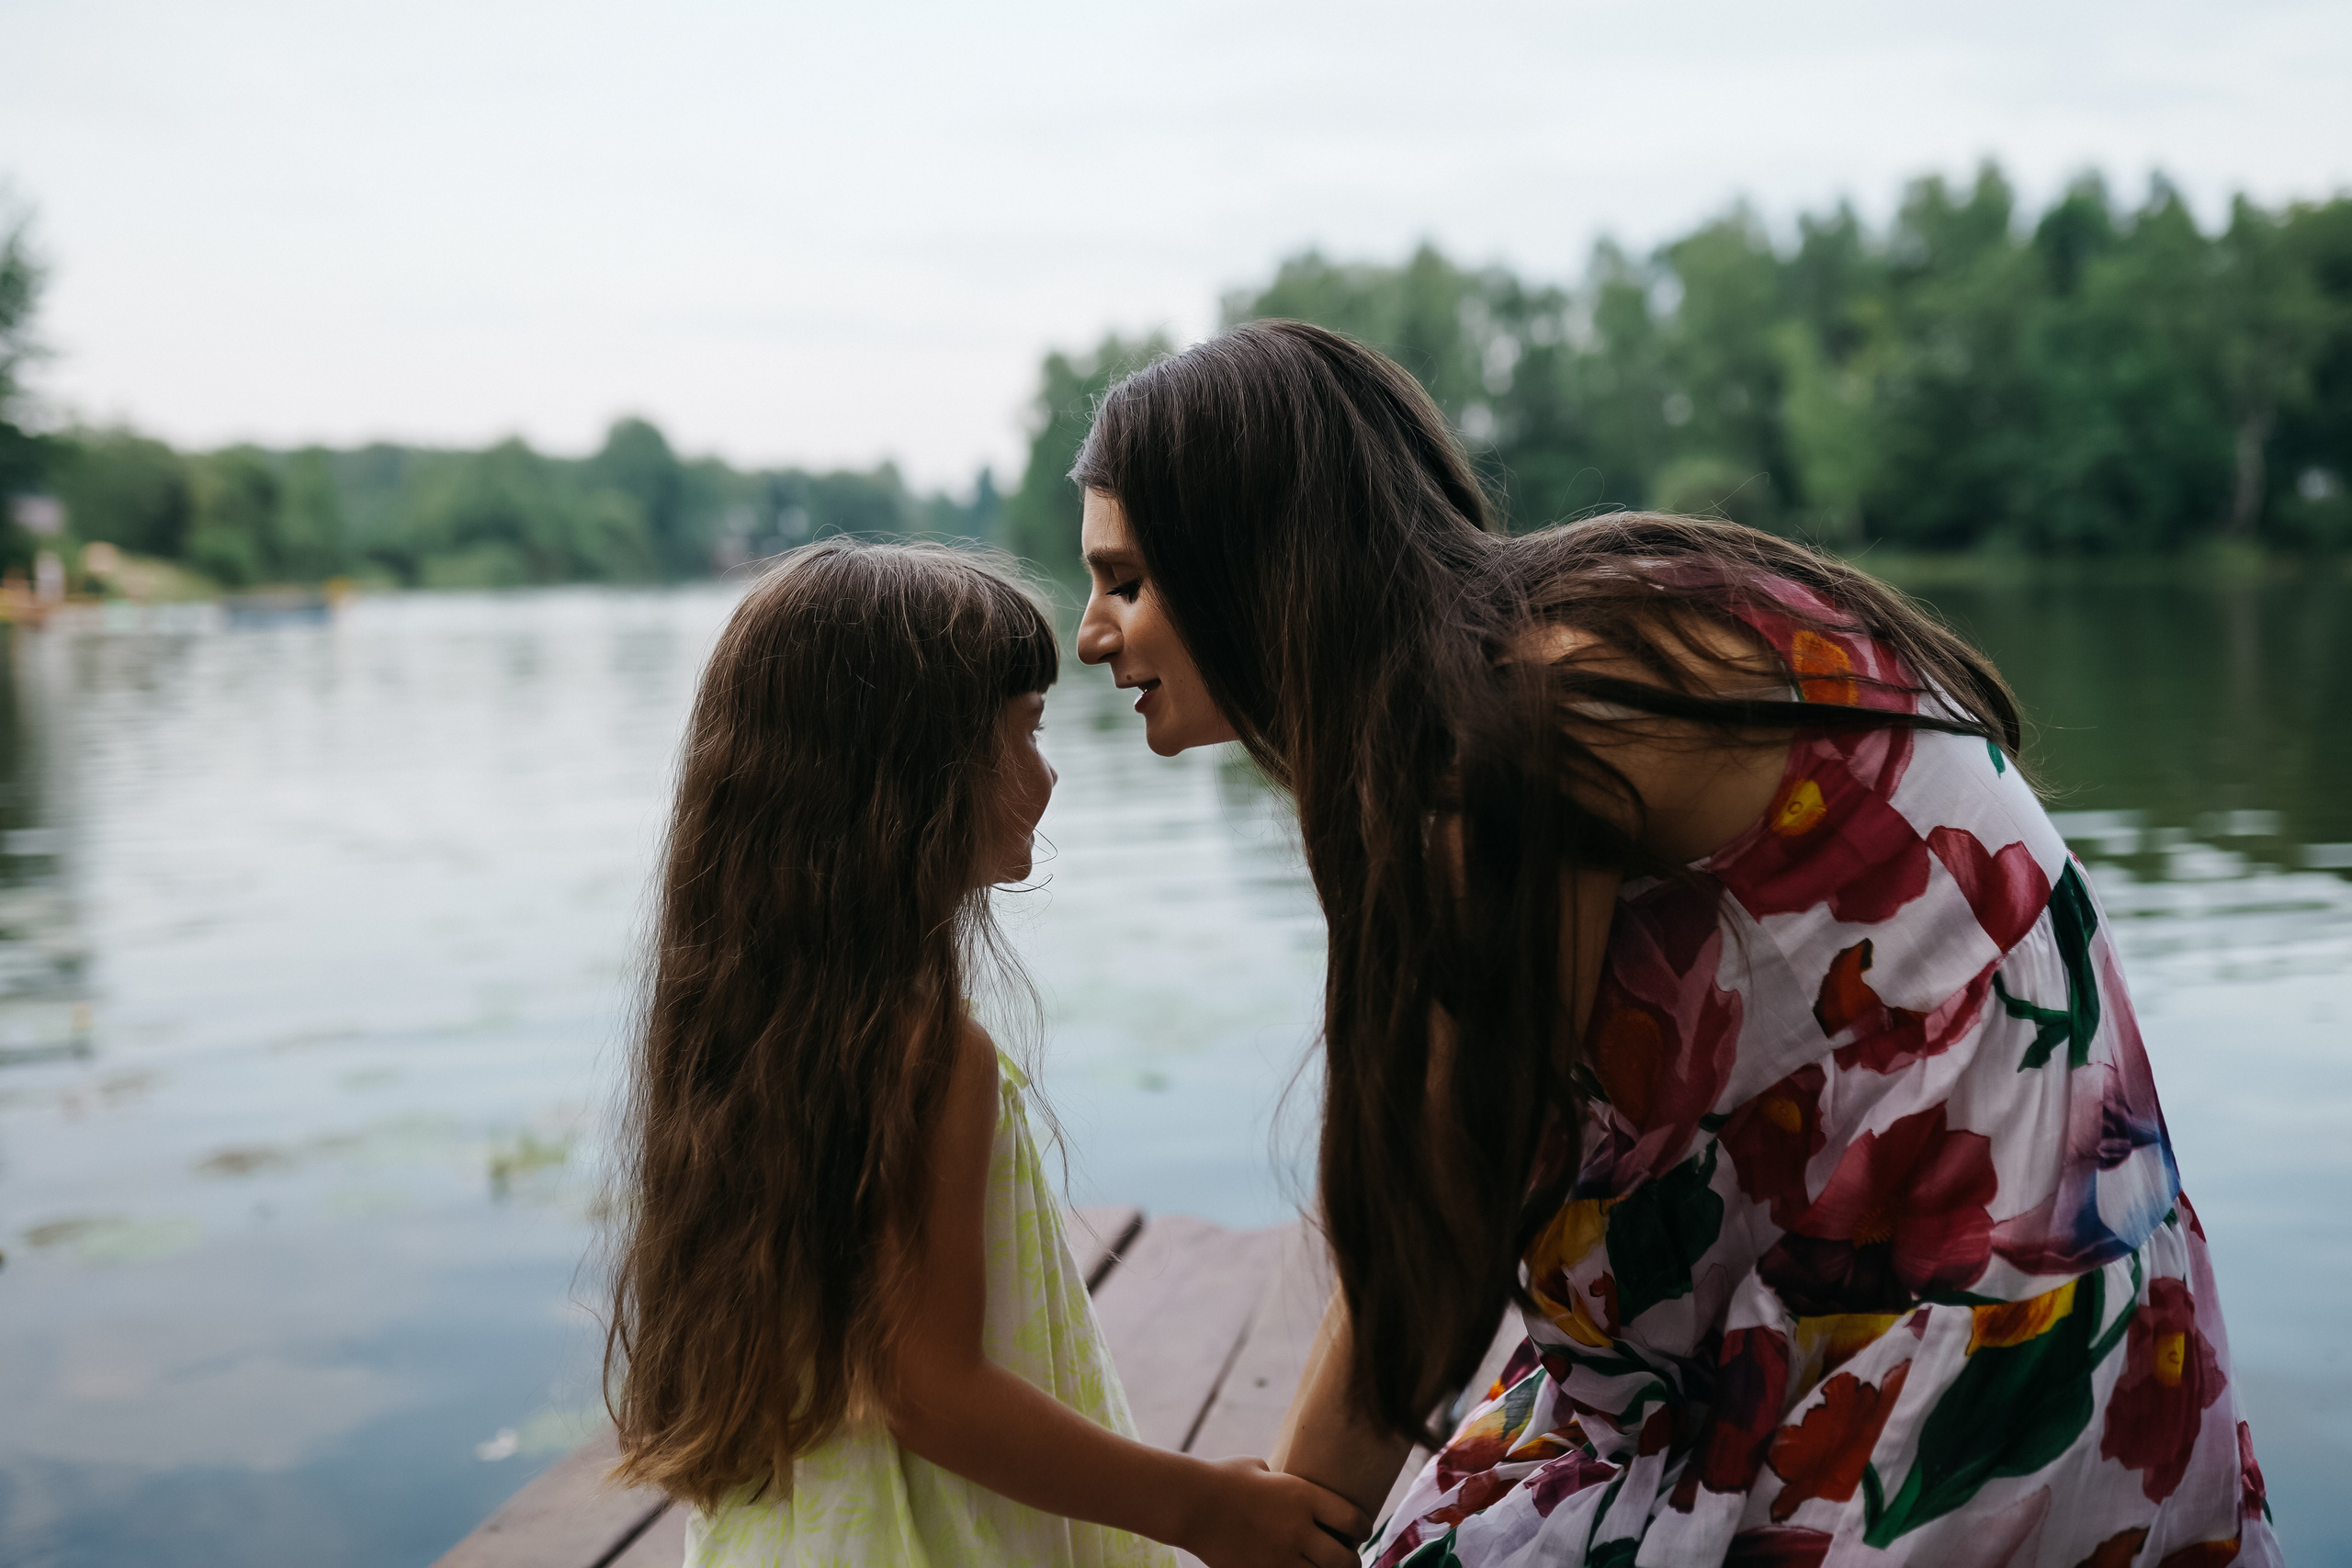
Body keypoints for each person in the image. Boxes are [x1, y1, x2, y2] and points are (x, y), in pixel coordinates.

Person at [1072, 321, 2279, 1566]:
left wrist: (1277, 1523)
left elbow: (1437, 1227)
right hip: (2058, 1296)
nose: (1091, 635)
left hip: (1964, 1374)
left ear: (1251, 562)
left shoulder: (1517, 727)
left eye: (1127, 581)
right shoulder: (1600, 607)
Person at [604, 540, 1367, 1568]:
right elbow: (929, 1388)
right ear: (903, 777)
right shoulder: (921, 1047)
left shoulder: (751, 1029)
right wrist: (1202, 1507)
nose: (1045, 772)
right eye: (1023, 732)